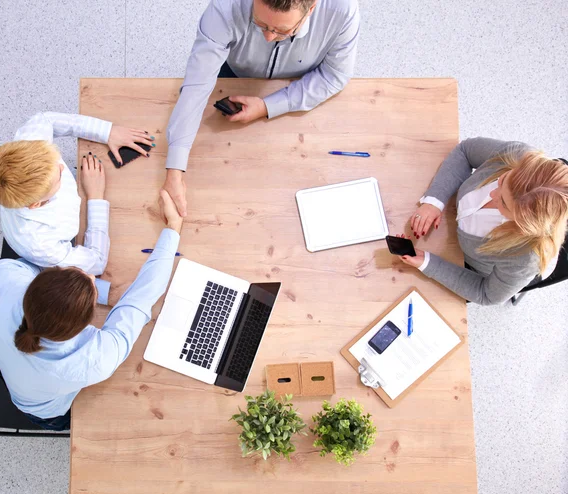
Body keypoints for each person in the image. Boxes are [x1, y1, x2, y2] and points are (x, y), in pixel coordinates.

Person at [0, 190, 183, 431]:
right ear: (86, 325)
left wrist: (104, 293)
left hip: (9, 360)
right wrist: (174, 228)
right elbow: (142, 297)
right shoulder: (94, 361)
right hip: (43, 409)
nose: (93, 276)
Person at [164, 0, 360, 216]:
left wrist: (268, 105)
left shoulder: (342, 10)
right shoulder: (225, 6)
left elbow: (333, 76)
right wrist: (175, 169)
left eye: (283, 31)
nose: (268, 37)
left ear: (311, 9)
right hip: (235, 74)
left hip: (300, 84)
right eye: (259, 23)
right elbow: (196, 86)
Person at [397, 137, 568, 305]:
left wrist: (428, 263)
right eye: (502, 180)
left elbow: (486, 294)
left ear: (522, 225)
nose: (492, 194)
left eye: (503, 203)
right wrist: (434, 201)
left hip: (477, 267)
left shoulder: (525, 258)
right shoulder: (517, 154)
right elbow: (465, 151)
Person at [0, 112, 155, 275]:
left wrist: (107, 131)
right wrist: (96, 197)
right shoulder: (40, 244)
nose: (61, 167)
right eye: (59, 177)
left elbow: (46, 120)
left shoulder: (29, 144)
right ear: (37, 204)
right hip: (73, 225)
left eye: (54, 160)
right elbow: (96, 262)